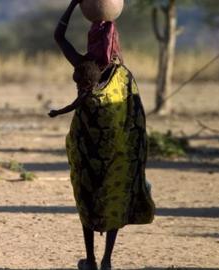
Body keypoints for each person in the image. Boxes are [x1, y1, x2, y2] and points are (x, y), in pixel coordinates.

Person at [50, 1, 155, 270]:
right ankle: (106, 259)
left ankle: (92, 259)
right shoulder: (120, 75)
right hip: (117, 154)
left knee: (87, 200)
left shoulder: (83, 64)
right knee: (113, 199)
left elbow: (59, 36)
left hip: (86, 152)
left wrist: (74, 4)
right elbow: (135, 116)